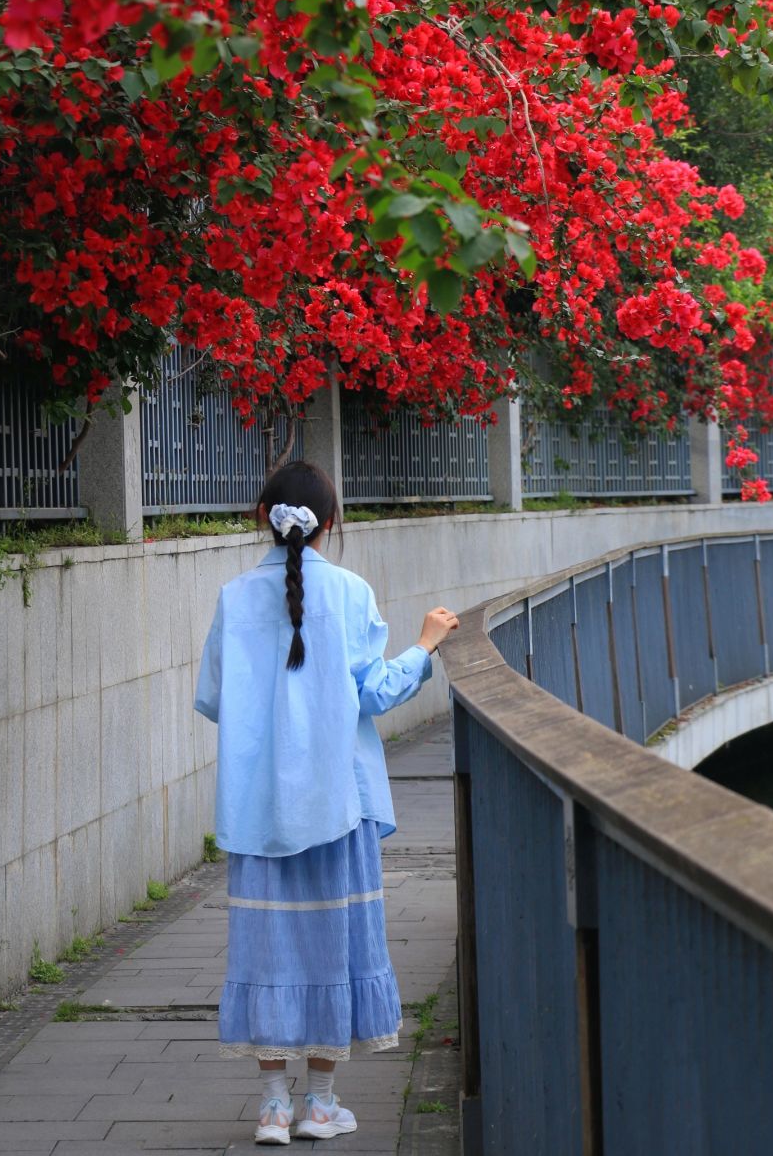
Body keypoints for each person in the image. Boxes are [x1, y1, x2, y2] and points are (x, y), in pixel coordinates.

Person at [194, 459, 459, 1145]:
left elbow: (215, 699)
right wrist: (425, 643)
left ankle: (273, 1107)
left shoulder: (232, 596)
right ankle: (321, 1103)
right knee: (330, 947)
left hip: (256, 811)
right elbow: (374, 693)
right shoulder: (349, 592)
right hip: (337, 803)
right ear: (331, 524)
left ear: (263, 516)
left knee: (266, 950)